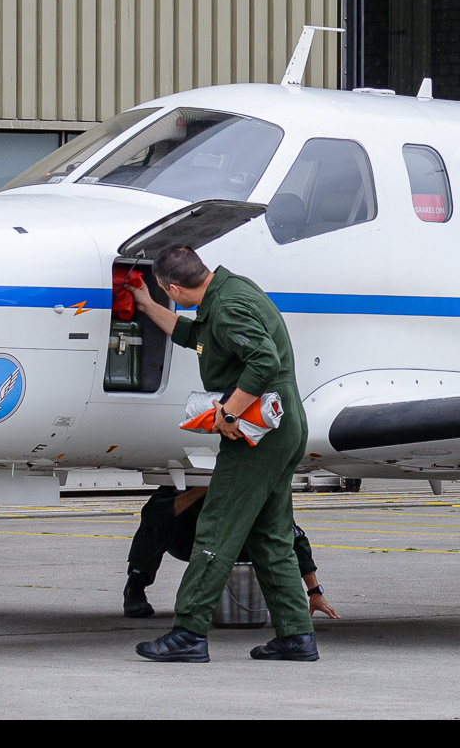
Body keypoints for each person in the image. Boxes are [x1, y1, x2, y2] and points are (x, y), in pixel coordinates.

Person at [124, 244, 317, 662]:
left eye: (161, 291)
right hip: (285, 423)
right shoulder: (231, 290)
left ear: (173, 286)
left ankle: (189, 633)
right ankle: (296, 635)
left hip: (258, 430)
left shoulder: (227, 309)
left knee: (216, 528)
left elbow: (262, 361)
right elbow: (194, 335)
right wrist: (143, 302)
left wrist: (228, 412)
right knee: (269, 534)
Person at [122, 484, 340, 621]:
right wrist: (201, 489)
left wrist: (315, 592)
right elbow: (153, 514)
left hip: (234, 547)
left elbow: (293, 536)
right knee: (156, 520)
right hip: (190, 540)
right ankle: (136, 586)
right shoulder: (177, 485)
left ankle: (265, 602)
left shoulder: (249, 487)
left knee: (276, 532)